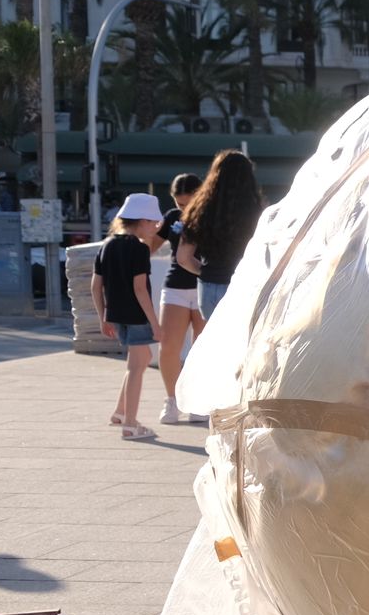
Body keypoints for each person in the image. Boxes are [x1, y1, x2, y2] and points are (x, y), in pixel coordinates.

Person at [93, 193, 165, 442]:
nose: (156, 228)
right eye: (154, 223)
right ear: (142, 221)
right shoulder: (138, 248)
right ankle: (131, 425)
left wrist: (103, 316)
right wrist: (155, 324)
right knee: (137, 367)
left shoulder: (107, 245)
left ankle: (120, 413)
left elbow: (95, 286)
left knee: (140, 360)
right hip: (136, 316)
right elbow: (140, 289)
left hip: (116, 315)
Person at [177, 149, 263, 320]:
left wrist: (207, 271)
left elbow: (183, 258)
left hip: (208, 287)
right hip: (242, 285)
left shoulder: (198, 210)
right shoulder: (255, 212)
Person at [156, 172, 205, 425]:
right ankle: (172, 400)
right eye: (179, 203)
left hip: (204, 285)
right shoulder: (172, 218)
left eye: (188, 201)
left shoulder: (211, 214)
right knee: (169, 347)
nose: (184, 208)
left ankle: (197, 400)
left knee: (201, 348)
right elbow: (149, 245)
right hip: (175, 284)